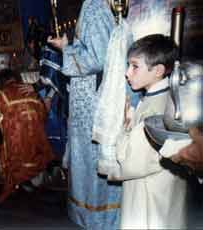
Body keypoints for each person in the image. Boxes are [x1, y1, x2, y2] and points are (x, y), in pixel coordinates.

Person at [48, 0, 121, 229]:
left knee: (90, 157)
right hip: (87, 96)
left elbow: (98, 58)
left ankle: (98, 218)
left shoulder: (94, 6)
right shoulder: (96, 5)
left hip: (91, 100)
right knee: (87, 157)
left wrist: (65, 49)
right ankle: (93, 216)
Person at [108, 34, 187, 229]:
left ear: (158, 70)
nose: (127, 73)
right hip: (164, 188)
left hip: (148, 192)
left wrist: (124, 127)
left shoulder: (154, 109)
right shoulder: (166, 95)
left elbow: (131, 162)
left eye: (135, 66)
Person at [0, 69, 54, 204]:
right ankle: (35, 177)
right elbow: (43, 115)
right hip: (37, 141)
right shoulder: (31, 91)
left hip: (15, 143)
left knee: (0, 144)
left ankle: (19, 181)